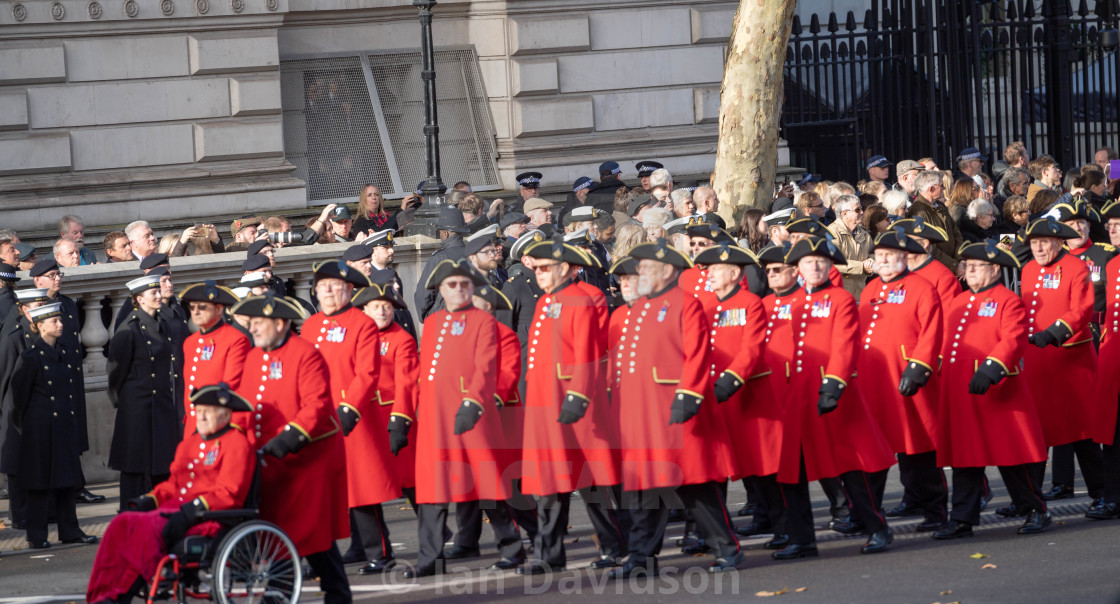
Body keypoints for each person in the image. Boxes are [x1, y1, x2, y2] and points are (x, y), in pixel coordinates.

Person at [610, 239, 743, 578]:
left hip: (674, 409)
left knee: (695, 486)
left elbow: (697, 354)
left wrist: (689, 395)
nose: (639, 274)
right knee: (645, 490)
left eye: (645, 269)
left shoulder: (685, 303)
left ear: (667, 271)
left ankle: (726, 548)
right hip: (643, 415)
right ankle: (641, 558)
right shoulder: (640, 308)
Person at [388, 258, 526, 578]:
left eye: (465, 284)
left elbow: (485, 367)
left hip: (471, 415)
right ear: (441, 290)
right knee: (432, 489)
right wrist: (404, 415)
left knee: (486, 483)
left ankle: (511, 546)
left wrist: (473, 404)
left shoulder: (484, 322)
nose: (460, 289)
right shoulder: (434, 323)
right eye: (452, 285)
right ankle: (430, 557)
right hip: (436, 418)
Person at [771, 237, 896, 559]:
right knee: (793, 471)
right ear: (797, 267)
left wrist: (833, 385)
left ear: (829, 267)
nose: (814, 266)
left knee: (849, 467)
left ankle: (877, 527)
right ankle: (802, 539)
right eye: (807, 262)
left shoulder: (840, 298)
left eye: (821, 262)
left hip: (832, 391)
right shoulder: (793, 301)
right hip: (797, 395)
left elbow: (844, 344)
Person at [517, 237, 628, 575]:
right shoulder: (546, 301)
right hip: (546, 402)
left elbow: (585, 353)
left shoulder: (583, 298)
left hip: (572, 400)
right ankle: (549, 553)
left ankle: (615, 543)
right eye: (536, 268)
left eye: (545, 268)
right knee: (549, 481)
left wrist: (577, 396)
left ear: (565, 268)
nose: (539, 273)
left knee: (592, 479)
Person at [86, 384, 255, 604]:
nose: (200, 417)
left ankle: (119, 595)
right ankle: (101, 592)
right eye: (198, 411)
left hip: (207, 517)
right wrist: (150, 499)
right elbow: (174, 484)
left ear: (225, 414)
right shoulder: (191, 443)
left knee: (146, 529)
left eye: (207, 412)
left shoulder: (236, 444)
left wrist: (191, 511)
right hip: (174, 510)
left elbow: (228, 493)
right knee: (121, 524)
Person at [231, 292, 351, 603]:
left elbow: (316, 405)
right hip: (270, 459)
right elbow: (246, 405)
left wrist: (286, 439)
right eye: (252, 323)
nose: (253, 329)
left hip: (306, 456)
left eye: (259, 323)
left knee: (306, 529)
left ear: (281, 323)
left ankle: (309, 593)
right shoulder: (255, 355)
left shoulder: (305, 353)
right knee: (287, 529)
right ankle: (323, 592)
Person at [933, 242, 1051, 538]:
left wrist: (991, 367)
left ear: (995, 269)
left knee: (1011, 457)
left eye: (976, 267)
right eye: (966, 267)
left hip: (997, 391)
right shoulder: (958, 302)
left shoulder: (1008, 300)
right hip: (962, 392)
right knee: (965, 457)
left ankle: (1035, 509)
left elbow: (1012, 339)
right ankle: (962, 518)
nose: (969, 272)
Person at [690, 243, 784, 540]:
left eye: (716, 270)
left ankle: (781, 525)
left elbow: (751, 348)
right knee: (724, 465)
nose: (709, 275)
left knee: (761, 465)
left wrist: (730, 380)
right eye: (708, 270)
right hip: (716, 395)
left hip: (745, 393)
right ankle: (711, 532)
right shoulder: (705, 306)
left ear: (734, 273)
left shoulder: (750, 303)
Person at [857, 229, 947, 530]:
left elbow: (932, 331)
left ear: (903, 258)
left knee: (919, 444)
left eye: (888, 256)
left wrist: (918, 367)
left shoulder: (921, 287)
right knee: (877, 446)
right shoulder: (870, 290)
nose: (881, 261)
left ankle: (935, 511)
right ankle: (871, 511)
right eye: (878, 255)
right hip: (875, 379)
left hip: (908, 375)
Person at [1019, 217, 1105, 506]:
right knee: (1036, 431)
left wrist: (1055, 332)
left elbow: (1081, 309)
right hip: (1037, 361)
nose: (1039, 248)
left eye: (1044, 242)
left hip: (1070, 359)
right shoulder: (1029, 269)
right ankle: (1029, 499)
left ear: (1058, 243)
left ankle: (1101, 493)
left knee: (1082, 432)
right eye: (1034, 243)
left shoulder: (1075, 267)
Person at [8, 301, 98, 549]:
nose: (61, 324)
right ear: (39, 326)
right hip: (40, 429)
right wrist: (30, 426)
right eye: (54, 321)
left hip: (63, 427)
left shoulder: (65, 351)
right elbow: (19, 397)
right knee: (39, 485)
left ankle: (70, 530)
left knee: (67, 481)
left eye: (60, 320)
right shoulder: (31, 357)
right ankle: (37, 536)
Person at [352, 284, 421, 543]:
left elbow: (406, 383)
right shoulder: (358, 337)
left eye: (387, 307)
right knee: (364, 484)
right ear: (364, 311)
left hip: (394, 416)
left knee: (409, 481)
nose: (382, 311)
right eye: (376, 307)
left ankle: (433, 530)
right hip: (368, 417)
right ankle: (362, 542)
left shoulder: (400, 338)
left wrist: (400, 420)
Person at [107, 275, 180, 506]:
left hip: (161, 403)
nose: (159, 296)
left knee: (163, 461)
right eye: (153, 294)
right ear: (139, 299)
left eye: (158, 291)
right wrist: (126, 401)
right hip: (137, 405)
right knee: (135, 464)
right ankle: (130, 513)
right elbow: (115, 372)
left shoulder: (163, 322)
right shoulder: (129, 328)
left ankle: (162, 510)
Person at [179, 282, 251, 438]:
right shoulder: (190, 342)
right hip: (193, 424)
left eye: (202, 307)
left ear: (219, 309)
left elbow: (231, 385)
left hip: (219, 422)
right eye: (192, 307)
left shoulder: (235, 339)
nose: (196, 312)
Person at [415, 205, 469, 320]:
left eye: (440, 233)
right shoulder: (473, 254)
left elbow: (424, 293)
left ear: (446, 234)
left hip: (444, 319)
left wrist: (426, 316)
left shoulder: (439, 258)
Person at [908, 170, 963, 273]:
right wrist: (954, 265)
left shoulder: (940, 205)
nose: (944, 188)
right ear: (931, 189)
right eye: (941, 185)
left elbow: (956, 232)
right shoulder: (918, 212)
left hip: (953, 265)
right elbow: (928, 246)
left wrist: (960, 259)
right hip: (936, 270)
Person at [828, 194, 875, 298]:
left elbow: (873, 257)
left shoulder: (865, 234)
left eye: (861, 209)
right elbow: (832, 262)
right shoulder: (831, 233)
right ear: (845, 213)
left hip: (860, 294)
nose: (862, 212)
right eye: (857, 210)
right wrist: (861, 267)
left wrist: (871, 264)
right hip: (838, 295)